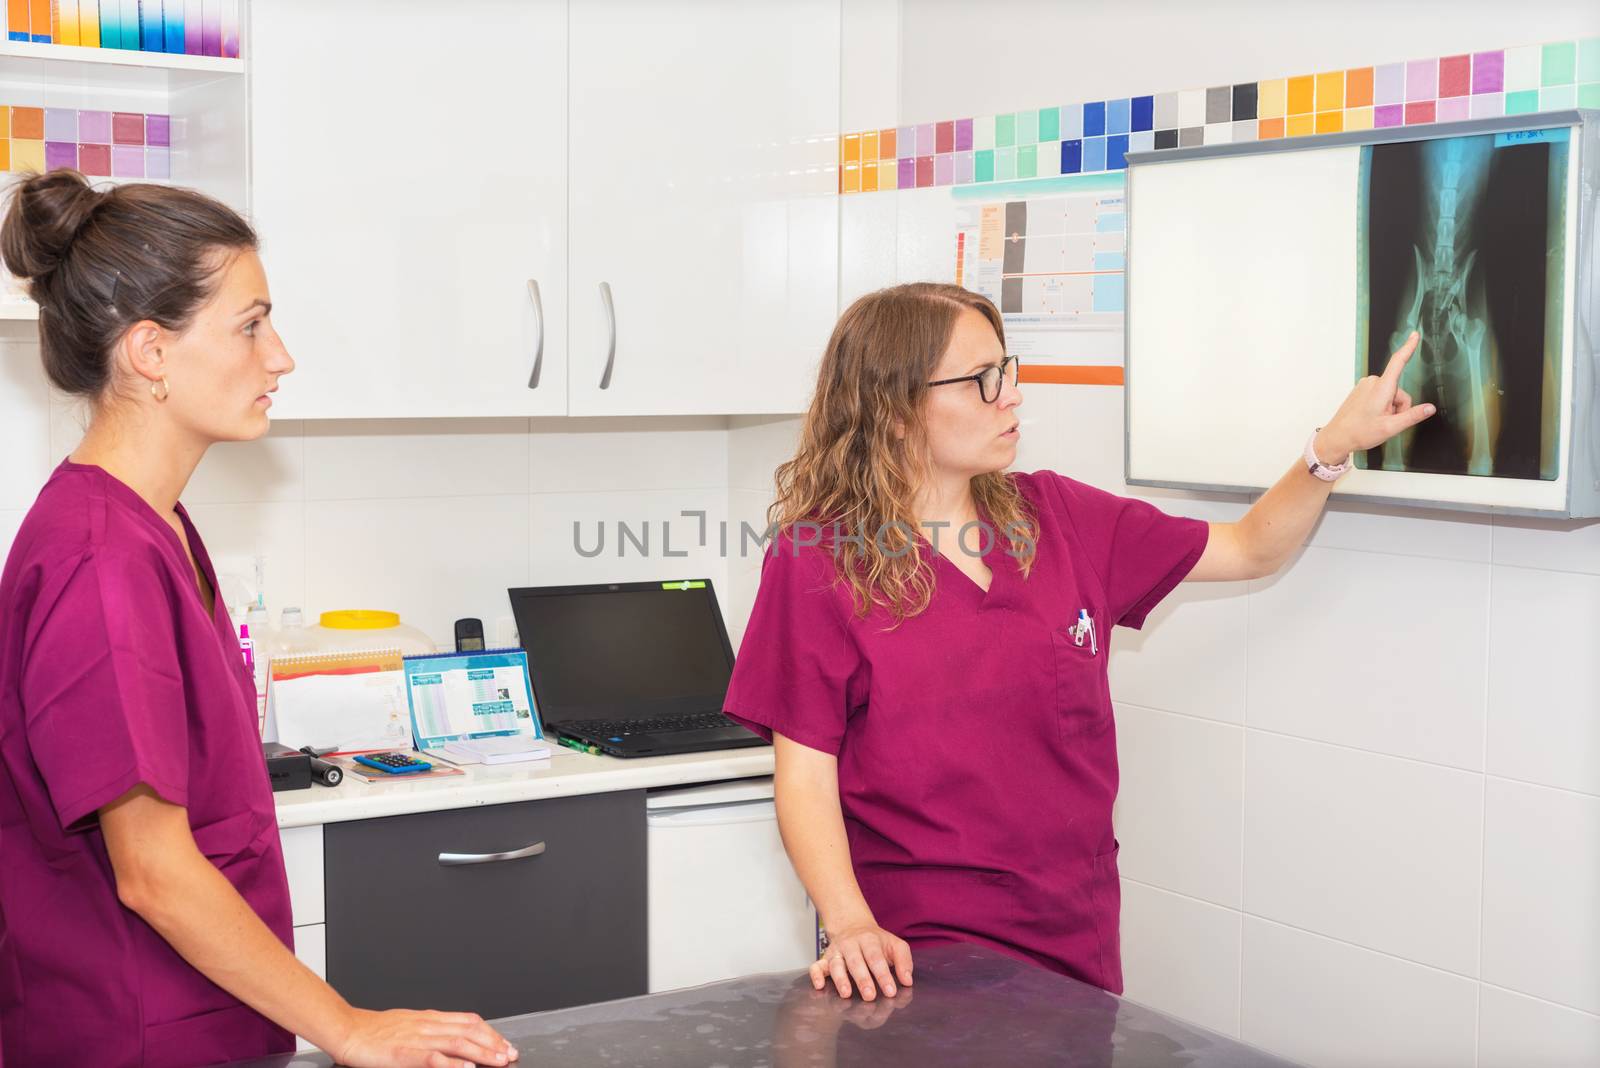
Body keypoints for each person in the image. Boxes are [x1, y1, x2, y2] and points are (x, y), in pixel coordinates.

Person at [723, 282, 1431, 1002]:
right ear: (896, 409)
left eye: (1008, 370)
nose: (1012, 398)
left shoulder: (1058, 517)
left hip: (1073, 932)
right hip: (913, 949)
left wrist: (1330, 448)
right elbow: (805, 776)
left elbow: (1250, 549)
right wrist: (849, 926)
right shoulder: (820, 559)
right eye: (982, 381)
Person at [0, 170, 519, 1068]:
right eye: (249, 325)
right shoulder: (99, 562)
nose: (280, 356)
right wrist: (349, 1027)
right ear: (151, 352)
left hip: (201, 1017)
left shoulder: (155, 524)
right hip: (132, 1032)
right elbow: (154, 870)